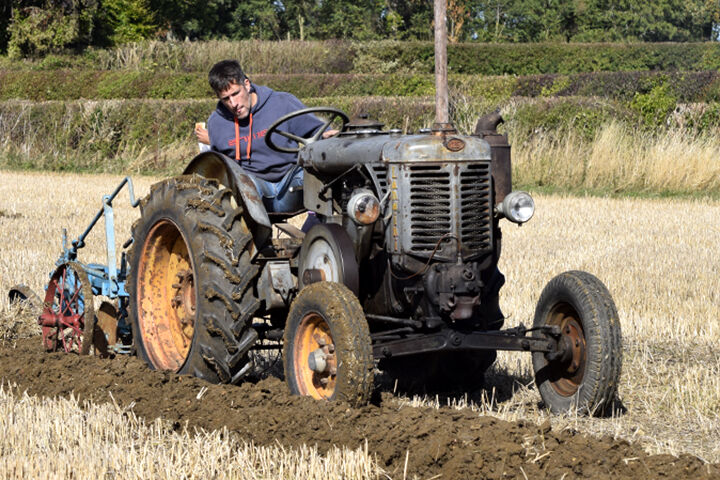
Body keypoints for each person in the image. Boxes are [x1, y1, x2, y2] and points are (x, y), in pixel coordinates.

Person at [195, 59, 333, 215]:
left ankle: (321, 223)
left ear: (246, 84)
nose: (233, 103)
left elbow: (318, 131)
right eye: (226, 98)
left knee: (325, 173)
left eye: (235, 93)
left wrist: (328, 137)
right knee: (239, 185)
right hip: (253, 189)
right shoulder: (217, 123)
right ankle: (254, 230)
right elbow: (220, 168)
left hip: (290, 183)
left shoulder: (282, 103)